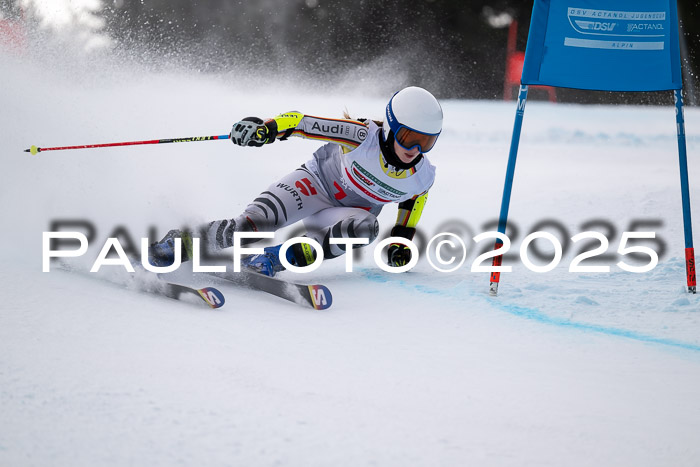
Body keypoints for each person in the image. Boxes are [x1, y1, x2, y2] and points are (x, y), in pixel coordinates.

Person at [149, 86, 443, 276]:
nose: (414, 150)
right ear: (391, 128)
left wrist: (401, 241)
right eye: (408, 137)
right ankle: (179, 244)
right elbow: (301, 122)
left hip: (341, 216)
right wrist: (267, 130)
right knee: (250, 227)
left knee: (366, 228)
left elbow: (414, 203)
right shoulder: (360, 136)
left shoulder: (422, 176)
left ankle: (273, 260)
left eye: (426, 142)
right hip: (313, 185)